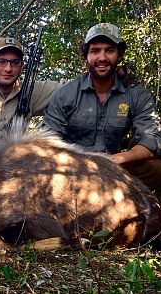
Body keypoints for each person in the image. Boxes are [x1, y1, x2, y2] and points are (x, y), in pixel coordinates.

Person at [44, 23, 161, 193]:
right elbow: (48, 142)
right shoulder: (65, 94)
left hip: (116, 165)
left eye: (109, 50)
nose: (102, 57)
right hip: (73, 167)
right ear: (86, 57)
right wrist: (78, 163)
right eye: (95, 50)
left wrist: (119, 159)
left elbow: (152, 140)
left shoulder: (136, 94)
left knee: (156, 169)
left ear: (119, 55)